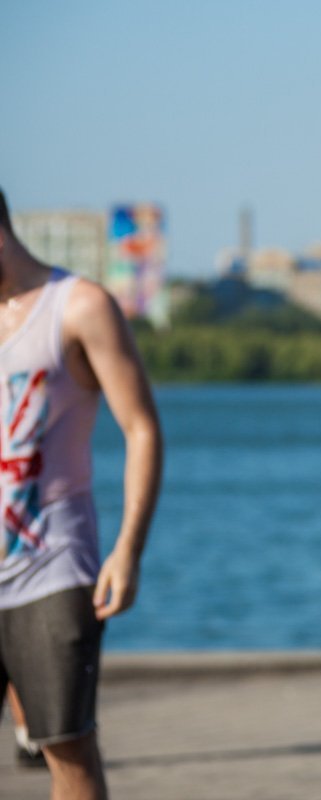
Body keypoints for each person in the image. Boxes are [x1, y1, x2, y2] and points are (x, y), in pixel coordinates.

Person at [0, 188, 164, 800]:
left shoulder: (79, 306)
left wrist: (128, 548)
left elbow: (141, 426)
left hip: (51, 570)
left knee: (66, 752)